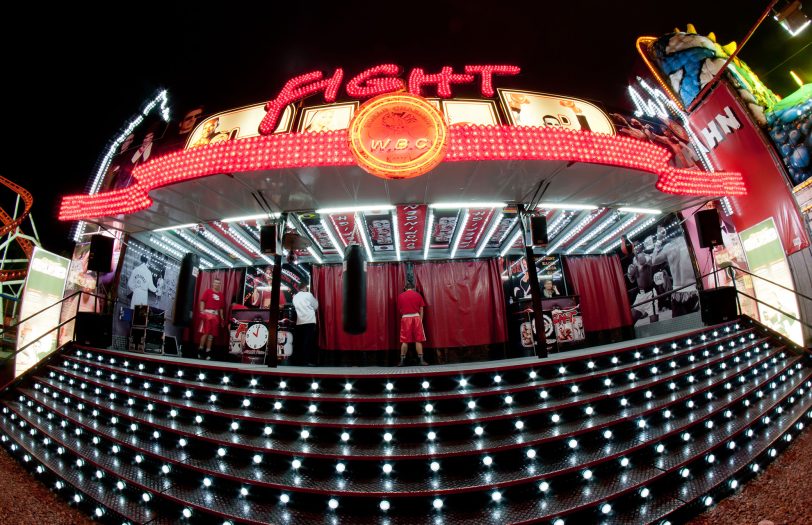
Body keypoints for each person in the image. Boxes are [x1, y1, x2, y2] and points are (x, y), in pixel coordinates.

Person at [397, 283, 428, 366]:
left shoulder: (400, 296)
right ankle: (421, 361)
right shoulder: (418, 295)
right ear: (413, 288)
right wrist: (420, 319)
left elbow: (400, 309)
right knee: (418, 340)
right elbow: (421, 309)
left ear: (405, 288)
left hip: (405, 318)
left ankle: (402, 361)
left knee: (404, 340)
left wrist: (405, 316)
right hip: (416, 317)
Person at [292, 284, 319, 366]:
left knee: (300, 341)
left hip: (300, 321)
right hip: (309, 321)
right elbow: (316, 305)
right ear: (305, 288)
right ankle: (308, 361)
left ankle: (300, 361)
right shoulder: (308, 294)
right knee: (309, 342)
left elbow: (295, 306)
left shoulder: (295, 297)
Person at [198, 278, 225, 360]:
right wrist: (202, 311)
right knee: (205, 333)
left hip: (215, 316)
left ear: (220, 285)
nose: (217, 284)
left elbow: (221, 308)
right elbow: (202, 301)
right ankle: (200, 350)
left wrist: (222, 318)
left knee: (211, 336)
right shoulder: (208, 291)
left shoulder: (221, 295)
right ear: (213, 283)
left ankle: (208, 352)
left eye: (218, 283)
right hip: (207, 314)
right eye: (216, 283)